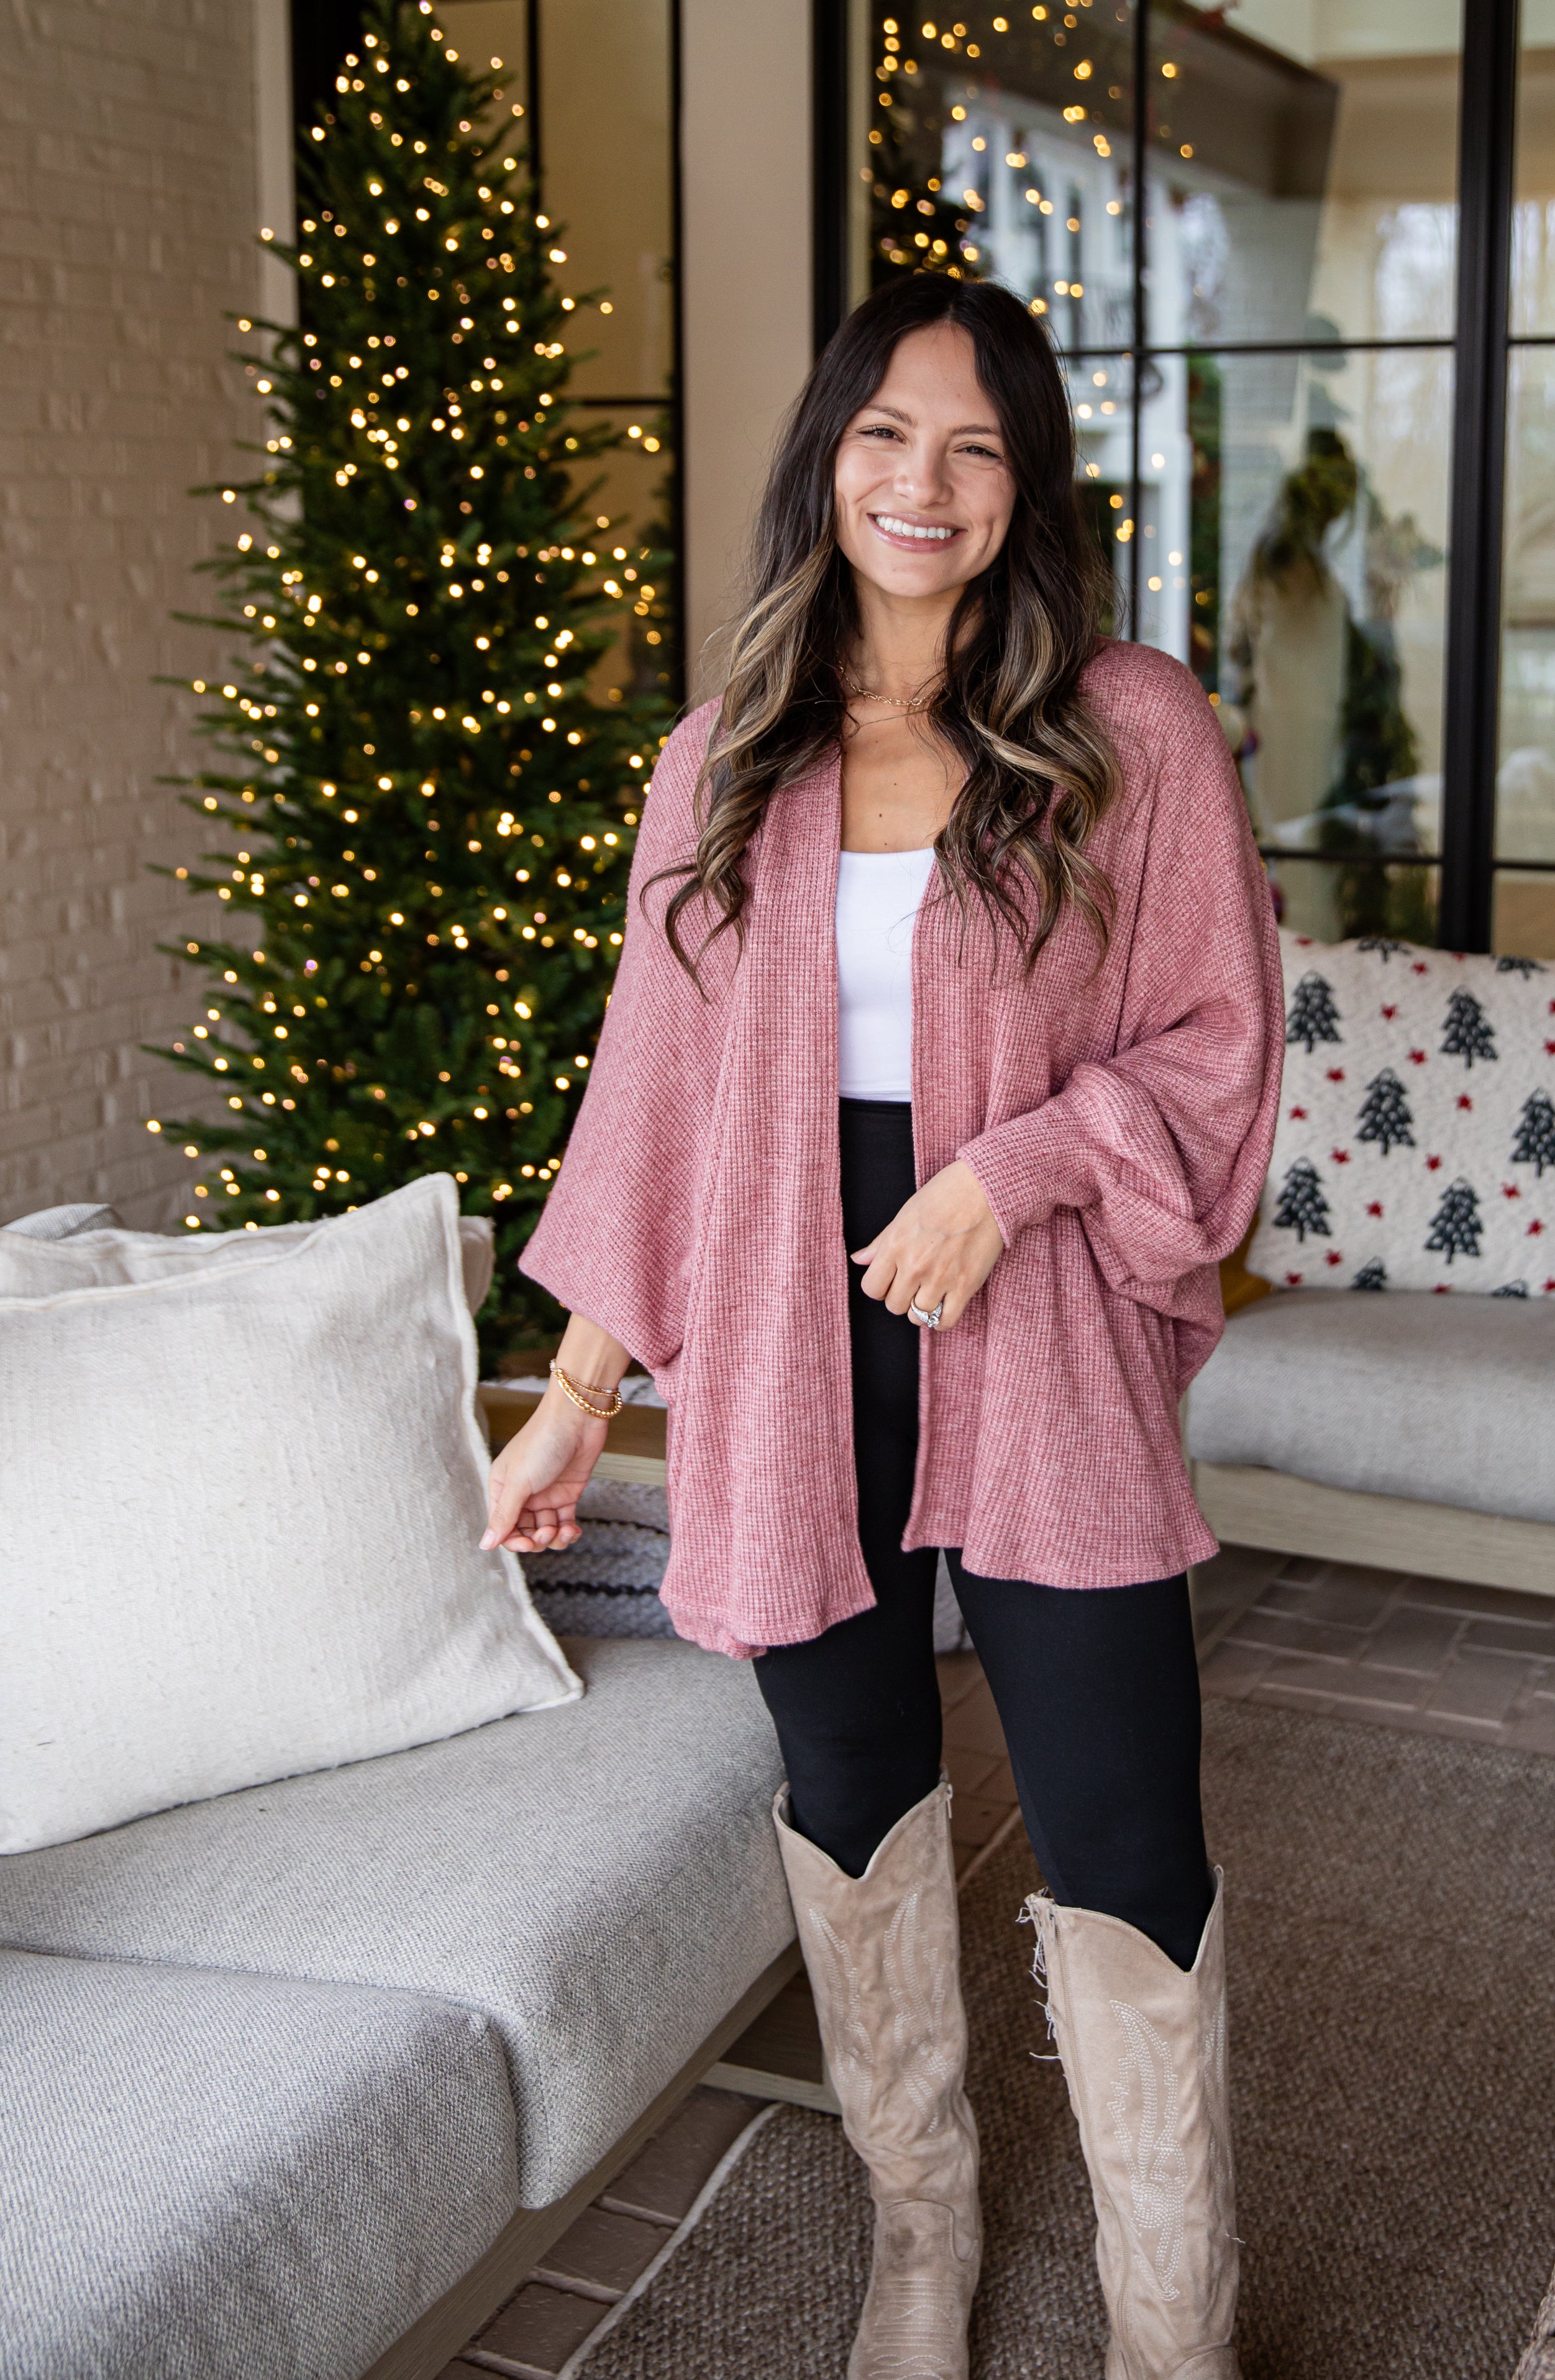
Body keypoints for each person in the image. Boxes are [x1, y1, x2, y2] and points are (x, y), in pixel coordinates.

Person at [485, 275, 1282, 2380]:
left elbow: (1216, 1051)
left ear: (1024, 486)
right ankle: (919, 2235)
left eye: (973, 446)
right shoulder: (726, 754)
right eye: (881, 438)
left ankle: (1171, 2329)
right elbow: (649, 1097)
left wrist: (1007, 1174)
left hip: (1034, 1334)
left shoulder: (1132, 733)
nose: (919, 485)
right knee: (847, 1790)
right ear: (823, 460)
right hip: (776, 1341)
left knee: (1124, 1825)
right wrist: (577, 1396)